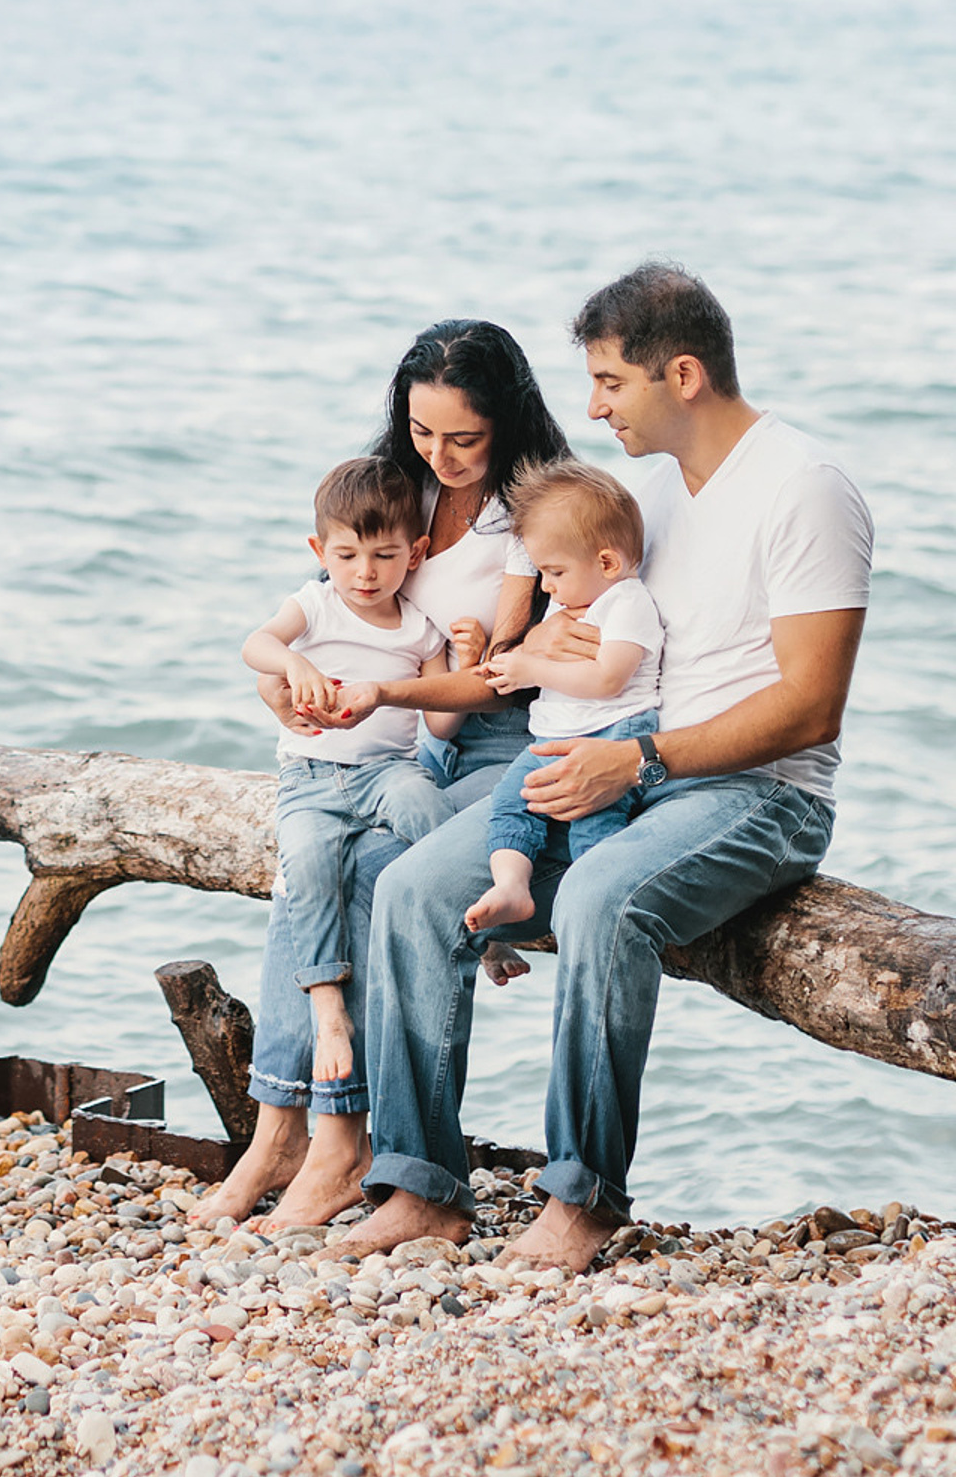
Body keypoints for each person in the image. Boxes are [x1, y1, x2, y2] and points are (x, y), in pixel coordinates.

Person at [333, 262, 873, 1267]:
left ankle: (582, 1198)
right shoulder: (645, 495)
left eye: (609, 383)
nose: (589, 406)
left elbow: (809, 706)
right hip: (614, 759)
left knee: (600, 902)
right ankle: (419, 1186)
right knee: (409, 889)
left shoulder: (803, 488)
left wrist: (636, 760)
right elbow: (569, 633)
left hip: (757, 792)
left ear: (682, 374)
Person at [190, 318, 569, 1231]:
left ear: (508, 425)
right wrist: (281, 692)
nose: (438, 455)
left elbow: (492, 676)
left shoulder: (530, 516)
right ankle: (284, 1124)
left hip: (491, 744)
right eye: (421, 431)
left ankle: (338, 1137)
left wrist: (382, 691)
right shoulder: (391, 492)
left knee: (359, 869)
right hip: (395, 742)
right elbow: (315, 626)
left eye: (464, 439)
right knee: (302, 865)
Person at [245, 457, 462, 1088]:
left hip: (385, 771)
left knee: (429, 812)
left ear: (415, 553)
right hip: (310, 775)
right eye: (346, 556)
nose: (364, 574)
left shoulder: (421, 631)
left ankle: (482, 928)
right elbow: (253, 644)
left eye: (384, 556)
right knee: (307, 865)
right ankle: (326, 1004)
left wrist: (464, 659)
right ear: (320, 550)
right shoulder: (315, 605)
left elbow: (442, 727)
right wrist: (292, 666)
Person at [462, 457, 661, 943]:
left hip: (612, 734)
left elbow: (609, 678)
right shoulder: (576, 598)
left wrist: (531, 667)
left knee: (593, 819)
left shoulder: (625, 602)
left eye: (554, 572)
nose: (546, 586)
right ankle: (513, 886)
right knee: (510, 804)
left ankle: (595, 908)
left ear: (607, 563)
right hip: (558, 736)